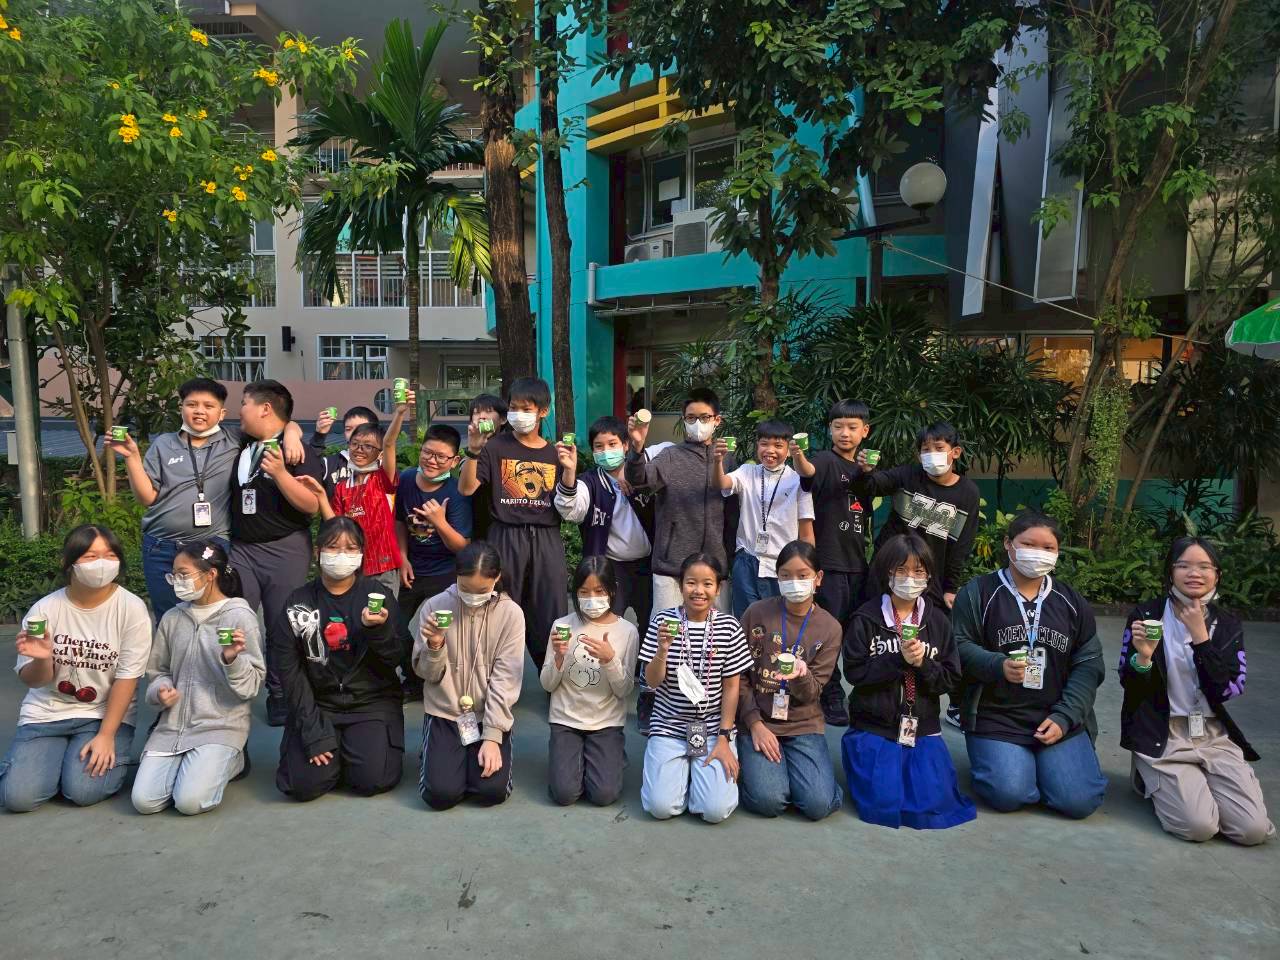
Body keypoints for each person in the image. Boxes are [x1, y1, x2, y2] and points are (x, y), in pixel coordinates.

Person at [108, 377, 304, 619]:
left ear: (222, 413)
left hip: (211, 545)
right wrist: (131, 457)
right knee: (169, 617)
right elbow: (147, 498)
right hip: (161, 547)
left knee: (213, 615)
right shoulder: (164, 444)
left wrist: (292, 433)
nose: (199, 411)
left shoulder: (235, 439)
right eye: (192, 404)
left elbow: (277, 424)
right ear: (181, 408)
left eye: (208, 406)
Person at [1119, 537, 1273, 845]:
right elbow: (1130, 685)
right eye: (1184, 566)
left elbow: (1228, 689)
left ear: (1217, 574)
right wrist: (1144, 658)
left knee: (1252, 830)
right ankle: (1150, 776)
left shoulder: (1227, 624)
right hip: (1164, 733)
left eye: (1204, 566)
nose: (1194, 573)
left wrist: (1201, 638)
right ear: (1170, 572)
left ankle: (1198, 785)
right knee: (1198, 827)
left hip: (1213, 734)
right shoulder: (1147, 616)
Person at [953, 512, 1107, 819]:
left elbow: (1089, 663)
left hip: (1054, 715)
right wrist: (997, 665)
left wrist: (1065, 716)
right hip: (997, 717)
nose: (1038, 553)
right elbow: (957, 644)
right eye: (1028, 544)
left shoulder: (1071, 602)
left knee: (1079, 802)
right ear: (1008, 544)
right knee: (1008, 793)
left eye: (1048, 548)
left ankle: (1042, 768)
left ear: (1058, 552)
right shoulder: (978, 593)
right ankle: (1015, 767)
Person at [0, 525, 151, 812]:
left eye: (110, 555)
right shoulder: (45, 609)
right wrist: (43, 659)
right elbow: (34, 681)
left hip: (102, 715)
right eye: (90, 556)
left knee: (84, 791)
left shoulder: (131, 609)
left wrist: (106, 735)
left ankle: (66, 764)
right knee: (18, 798)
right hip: (46, 714)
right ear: (68, 562)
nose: (102, 564)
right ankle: (50, 762)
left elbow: (127, 678)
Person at [842, 533, 975, 829]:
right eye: (900, 570)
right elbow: (855, 673)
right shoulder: (866, 618)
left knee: (933, 804)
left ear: (928, 575)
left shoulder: (938, 621)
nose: (909, 578)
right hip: (874, 727)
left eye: (918, 571)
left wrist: (922, 663)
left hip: (922, 727)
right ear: (886, 572)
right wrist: (897, 660)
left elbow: (950, 679)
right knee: (882, 803)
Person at [273, 518, 405, 801]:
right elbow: (289, 671)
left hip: (371, 702)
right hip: (319, 703)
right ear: (318, 551)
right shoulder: (298, 602)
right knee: (302, 785)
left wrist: (378, 631)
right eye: (333, 547)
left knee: (371, 780)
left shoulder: (377, 596)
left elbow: (397, 657)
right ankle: (332, 752)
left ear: (361, 554)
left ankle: (351, 752)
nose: (342, 555)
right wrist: (312, 732)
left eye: (351, 548)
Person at [132, 542, 264, 816]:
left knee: (189, 802)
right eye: (174, 575)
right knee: (144, 801)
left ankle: (235, 758)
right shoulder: (172, 618)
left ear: (211, 574)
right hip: (172, 727)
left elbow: (252, 686)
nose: (177, 581)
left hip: (220, 726)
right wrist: (161, 690)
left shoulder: (239, 616)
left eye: (183, 574)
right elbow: (158, 670)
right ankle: (197, 764)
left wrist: (232, 660)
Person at [230, 379, 325, 726]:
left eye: (244, 403)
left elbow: (311, 505)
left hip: (285, 549)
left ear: (265, 408)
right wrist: (293, 427)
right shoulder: (243, 442)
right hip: (241, 550)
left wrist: (282, 471)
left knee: (280, 625)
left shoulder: (298, 452)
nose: (240, 410)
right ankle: (234, 687)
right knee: (235, 619)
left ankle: (280, 692)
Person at [458, 377, 565, 670]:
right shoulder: (495, 447)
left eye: (526, 409)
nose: (519, 414)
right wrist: (473, 450)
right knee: (498, 609)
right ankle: (493, 677)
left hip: (546, 538)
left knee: (550, 611)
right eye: (514, 408)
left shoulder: (555, 454)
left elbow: (568, 503)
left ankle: (554, 678)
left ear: (543, 411)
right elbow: (466, 488)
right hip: (505, 536)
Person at [639, 553, 753, 823]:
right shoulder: (662, 622)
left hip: (713, 728)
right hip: (669, 724)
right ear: (680, 585)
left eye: (707, 583)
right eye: (691, 582)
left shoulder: (729, 627)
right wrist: (662, 651)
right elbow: (651, 683)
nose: (698, 590)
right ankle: (680, 777)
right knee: (659, 807)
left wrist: (724, 736)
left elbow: (732, 687)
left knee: (715, 810)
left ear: (718, 588)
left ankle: (697, 779)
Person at [412, 542, 526, 810]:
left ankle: (472, 752)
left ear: (497, 578)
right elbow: (426, 674)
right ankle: (438, 754)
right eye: (465, 588)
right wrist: (435, 645)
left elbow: (506, 679)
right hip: (445, 711)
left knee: (491, 791)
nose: (473, 596)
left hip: (488, 713)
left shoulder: (511, 614)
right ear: (456, 576)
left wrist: (493, 736)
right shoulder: (436, 606)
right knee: (440, 795)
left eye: (482, 590)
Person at [735, 541, 842, 821]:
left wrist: (802, 676)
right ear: (777, 577)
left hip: (803, 723)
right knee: (768, 801)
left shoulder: (830, 628)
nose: (794, 582)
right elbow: (738, 675)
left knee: (818, 805)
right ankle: (765, 776)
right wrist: (754, 723)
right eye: (785, 575)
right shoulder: (756, 613)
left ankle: (811, 782)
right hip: (758, 719)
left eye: (803, 575)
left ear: (818, 578)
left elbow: (812, 693)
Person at [792, 399, 876, 725]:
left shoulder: (864, 470)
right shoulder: (826, 460)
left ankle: (858, 692)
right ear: (830, 430)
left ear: (865, 431)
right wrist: (798, 456)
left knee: (856, 633)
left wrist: (868, 474)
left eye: (852, 427)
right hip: (830, 563)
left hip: (858, 565)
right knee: (830, 633)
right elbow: (808, 473)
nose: (844, 433)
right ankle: (830, 692)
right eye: (838, 426)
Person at [625, 388, 739, 614]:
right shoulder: (670, 456)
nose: (698, 423)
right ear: (684, 420)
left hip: (714, 568)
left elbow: (733, 513)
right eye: (691, 418)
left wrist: (729, 557)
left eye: (704, 417)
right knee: (666, 631)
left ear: (717, 420)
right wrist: (637, 448)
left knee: (716, 633)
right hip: (672, 568)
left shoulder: (727, 459)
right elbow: (640, 480)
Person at [540, 557, 639, 806]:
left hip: (606, 722)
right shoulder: (562, 626)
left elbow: (624, 690)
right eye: (584, 592)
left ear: (612, 590)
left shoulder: (627, 631)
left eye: (599, 591)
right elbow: (547, 685)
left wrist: (610, 660)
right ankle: (571, 756)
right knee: (564, 794)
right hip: (566, 720)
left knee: (604, 795)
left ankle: (612, 757)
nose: (591, 599)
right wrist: (559, 658)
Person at [852, 422, 979, 610]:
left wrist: (950, 587)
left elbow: (962, 545)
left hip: (927, 577)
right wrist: (866, 471)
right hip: (887, 569)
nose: (932, 454)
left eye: (939, 448)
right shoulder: (907, 475)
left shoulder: (968, 492)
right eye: (926, 450)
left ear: (956, 452)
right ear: (919, 456)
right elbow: (872, 486)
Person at [299, 391, 413, 600]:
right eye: (355, 444)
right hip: (351, 567)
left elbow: (389, 443)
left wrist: (399, 412)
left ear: (379, 453)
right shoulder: (343, 486)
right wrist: (321, 495)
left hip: (383, 567)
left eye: (368, 446)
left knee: (381, 618)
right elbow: (336, 525)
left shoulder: (383, 479)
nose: (359, 450)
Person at [554, 415, 655, 629]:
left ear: (625, 445)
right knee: (605, 625)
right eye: (599, 446)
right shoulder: (589, 482)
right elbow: (571, 511)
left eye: (612, 444)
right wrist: (569, 471)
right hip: (610, 567)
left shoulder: (644, 475)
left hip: (648, 565)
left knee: (651, 627)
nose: (606, 451)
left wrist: (635, 471)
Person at [395, 424, 473, 699]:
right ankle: (414, 678)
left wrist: (439, 521)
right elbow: (399, 522)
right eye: (428, 452)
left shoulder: (457, 492)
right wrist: (402, 558)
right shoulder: (406, 479)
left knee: (442, 632)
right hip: (412, 570)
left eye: (441, 456)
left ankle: (445, 680)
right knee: (392, 625)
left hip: (446, 573)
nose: (432, 460)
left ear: (454, 460)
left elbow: (462, 546)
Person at [712, 419, 815, 619]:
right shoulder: (747, 472)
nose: (770, 450)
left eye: (778, 445)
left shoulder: (798, 481)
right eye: (764, 444)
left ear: (789, 449)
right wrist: (718, 461)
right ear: (757, 446)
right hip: (747, 560)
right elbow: (721, 483)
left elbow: (806, 532)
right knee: (745, 620)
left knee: (778, 621)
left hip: (782, 564)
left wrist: (807, 570)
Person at [466, 393, 507, 541]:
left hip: (503, 526)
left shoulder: (510, 448)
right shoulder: (469, 450)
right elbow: (466, 488)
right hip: (475, 521)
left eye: (488, 412)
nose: (482, 417)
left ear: (503, 419)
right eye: (476, 413)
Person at [310, 404, 380, 483]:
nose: (354, 433)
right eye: (348, 429)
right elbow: (307, 470)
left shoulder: (385, 464)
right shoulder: (330, 464)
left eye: (360, 428)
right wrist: (319, 436)